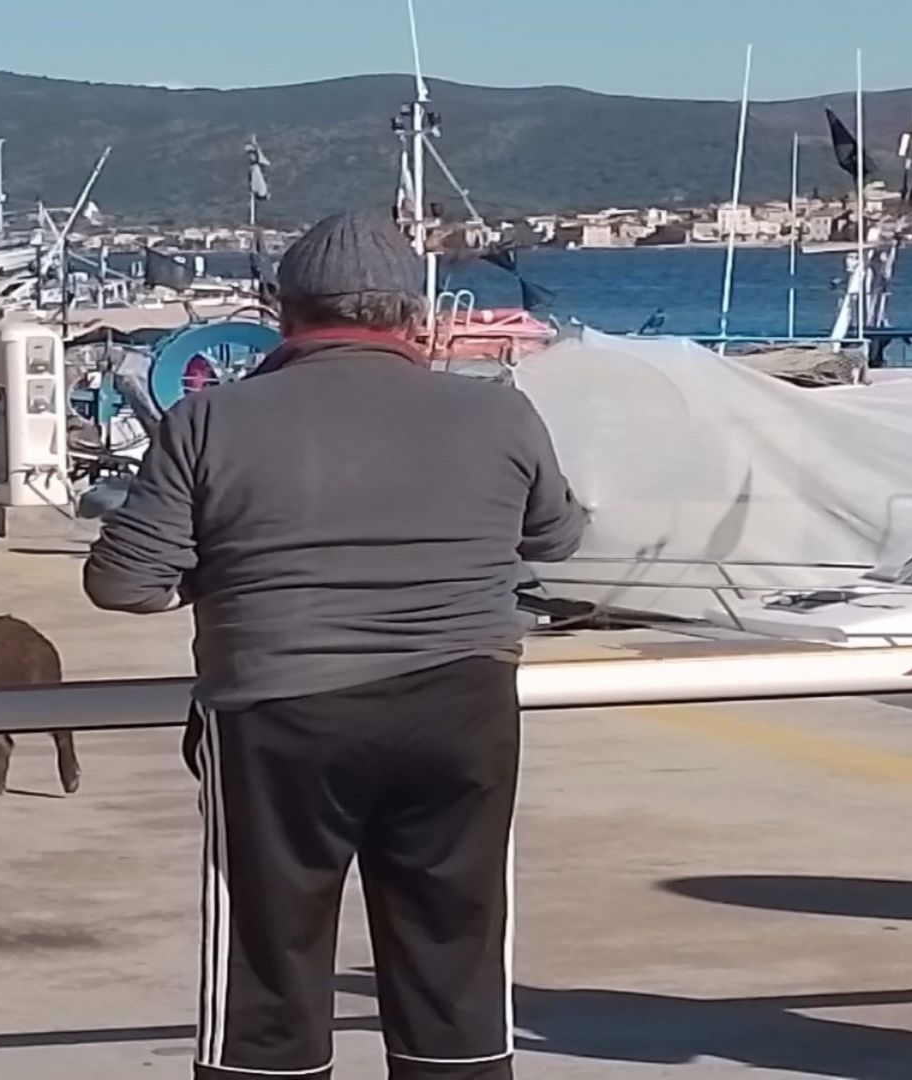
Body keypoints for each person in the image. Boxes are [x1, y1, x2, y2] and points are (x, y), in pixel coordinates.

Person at [83, 209, 588, 1080]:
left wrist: (223, 574)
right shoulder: (499, 413)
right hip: (461, 709)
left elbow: (122, 584)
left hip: (281, 714)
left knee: (267, 962)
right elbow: (558, 538)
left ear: (285, 313)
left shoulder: (211, 419)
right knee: (455, 954)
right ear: (413, 316)